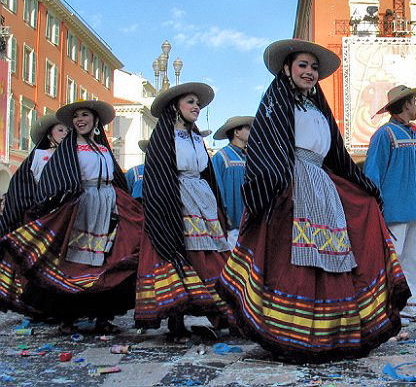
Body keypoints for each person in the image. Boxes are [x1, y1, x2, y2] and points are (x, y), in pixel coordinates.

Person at [219, 39, 410, 360]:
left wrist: (362, 184)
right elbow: (267, 145)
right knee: (293, 262)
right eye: (302, 65)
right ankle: (289, 333)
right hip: (291, 181)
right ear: (286, 69)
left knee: (332, 257)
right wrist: (276, 188)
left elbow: (336, 152)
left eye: (313, 67)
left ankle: (331, 332)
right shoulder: (277, 104)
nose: (309, 72)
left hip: (322, 183)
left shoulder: (318, 108)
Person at [1, 100, 144, 334]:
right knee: (75, 265)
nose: (80, 119)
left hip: (108, 207)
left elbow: (116, 178)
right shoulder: (68, 149)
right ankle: (68, 317)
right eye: (76, 116)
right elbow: (53, 179)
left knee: (107, 262)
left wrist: (125, 204)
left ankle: (102, 317)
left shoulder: (104, 150)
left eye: (85, 114)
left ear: (95, 120)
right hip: (80, 209)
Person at [135, 82, 235, 343]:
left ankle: (221, 314)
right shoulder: (163, 137)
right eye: (190, 102)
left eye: (197, 103)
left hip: (201, 198)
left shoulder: (196, 138)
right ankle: (176, 320)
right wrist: (168, 208)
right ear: (176, 107)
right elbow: (157, 177)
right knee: (183, 253)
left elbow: (207, 172)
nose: (196, 107)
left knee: (211, 255)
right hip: (176, 198)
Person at [363, 85, 416, 324]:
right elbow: (372, 173)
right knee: (394, 258)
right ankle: (388, 308)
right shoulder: (384, 134)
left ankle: (415, 306)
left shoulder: (414, 135)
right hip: (394, 209)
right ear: (406, 104)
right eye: (415, 103)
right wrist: (375, 205)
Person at [0, 114, 68, 315]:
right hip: (42, 215)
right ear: (49, 135)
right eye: (60, 130)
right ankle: (37, 305)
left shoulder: (72, 155)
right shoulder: (39, 156)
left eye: (67, 130)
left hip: (65, 214)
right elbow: (24, 186)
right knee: (40, 261)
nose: (65, 134)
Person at [212, 116, 254, 230]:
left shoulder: (249, 157)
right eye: (248, 128)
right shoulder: (221, 156)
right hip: (231, 223)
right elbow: (216, 187)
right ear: (237, 132)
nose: (252, 131)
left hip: (249, 220)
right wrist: (224, 215)